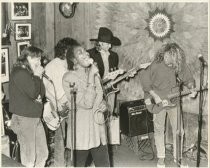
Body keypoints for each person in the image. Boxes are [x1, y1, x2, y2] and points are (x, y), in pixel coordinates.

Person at [141, 43, 196, 168]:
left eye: (171, 59)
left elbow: (188, 78)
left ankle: (178, 158)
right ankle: (161, 158)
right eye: (166, 57)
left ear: (176, 57)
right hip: (157, 102)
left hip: (174, 102)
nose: (168, 61)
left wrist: (192, 87)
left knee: (179, 131)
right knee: (159, 130)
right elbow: (145, 81)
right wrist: (154, 96)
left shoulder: (179, 64)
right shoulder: (155, 65)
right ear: (163, 54)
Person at [62, 39, 110, 167]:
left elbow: (100, 95)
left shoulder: (93, 74)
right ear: (73, 60)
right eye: (80, 53)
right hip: (81, 131)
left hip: (97, 128)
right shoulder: (69, 78)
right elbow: (87, 103)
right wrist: (91, 78)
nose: (86, 54)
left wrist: (103, 104)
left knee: (104, 165)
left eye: (86, 52)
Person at [9, 46, 48, 167]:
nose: (39, 62)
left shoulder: (31, 73)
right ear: (27, 58)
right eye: (36, 58)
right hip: (25, 119)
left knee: (43, 153)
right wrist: (37, 76)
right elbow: (33, 93)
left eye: (40, 59)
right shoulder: (19, 72)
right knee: (29, 157)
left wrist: (38, 77)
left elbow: (41, 93)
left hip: (35, 117)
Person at [43, 37, 77, 166]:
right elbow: (61, 93)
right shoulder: (57, 65)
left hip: (60, 106)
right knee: (62, 139)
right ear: (66, 51)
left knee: (62, 139)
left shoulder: (62, 64)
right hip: (56, 108)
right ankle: (63, 164)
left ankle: (63, 163)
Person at [87, 27, 121, 115]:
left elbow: (114, 73)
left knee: (109, 115)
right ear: (101, 43)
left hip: (110, 91)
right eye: (108, 44)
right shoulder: (89, 54)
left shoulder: (114, 56)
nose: (110, 46)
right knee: (97, 116)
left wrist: (125, 75)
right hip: (96, 92)